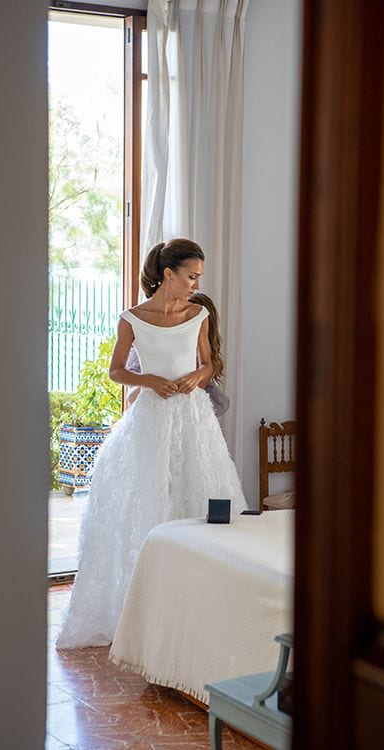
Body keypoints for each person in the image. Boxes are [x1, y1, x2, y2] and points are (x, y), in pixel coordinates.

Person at [56, 238, 246, 649]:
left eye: (199, 277)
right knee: (149, 501)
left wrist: (197, 378)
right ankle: (145, 609)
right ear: (168, 274)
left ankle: (196, 604)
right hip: (151, 417)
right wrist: (149, 381)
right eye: (192, 276)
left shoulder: (198, 315)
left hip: (193, 416)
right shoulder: (132, 319)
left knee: (198, 497)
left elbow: (207, 362)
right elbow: (117, 371)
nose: (197, 283)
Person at [125, 291, 230, 418]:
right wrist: (152, 382)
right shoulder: (148, 347)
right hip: (152, 413)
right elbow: (131, 396)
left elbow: (195, 389)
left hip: (186, 415)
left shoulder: (203, 360)